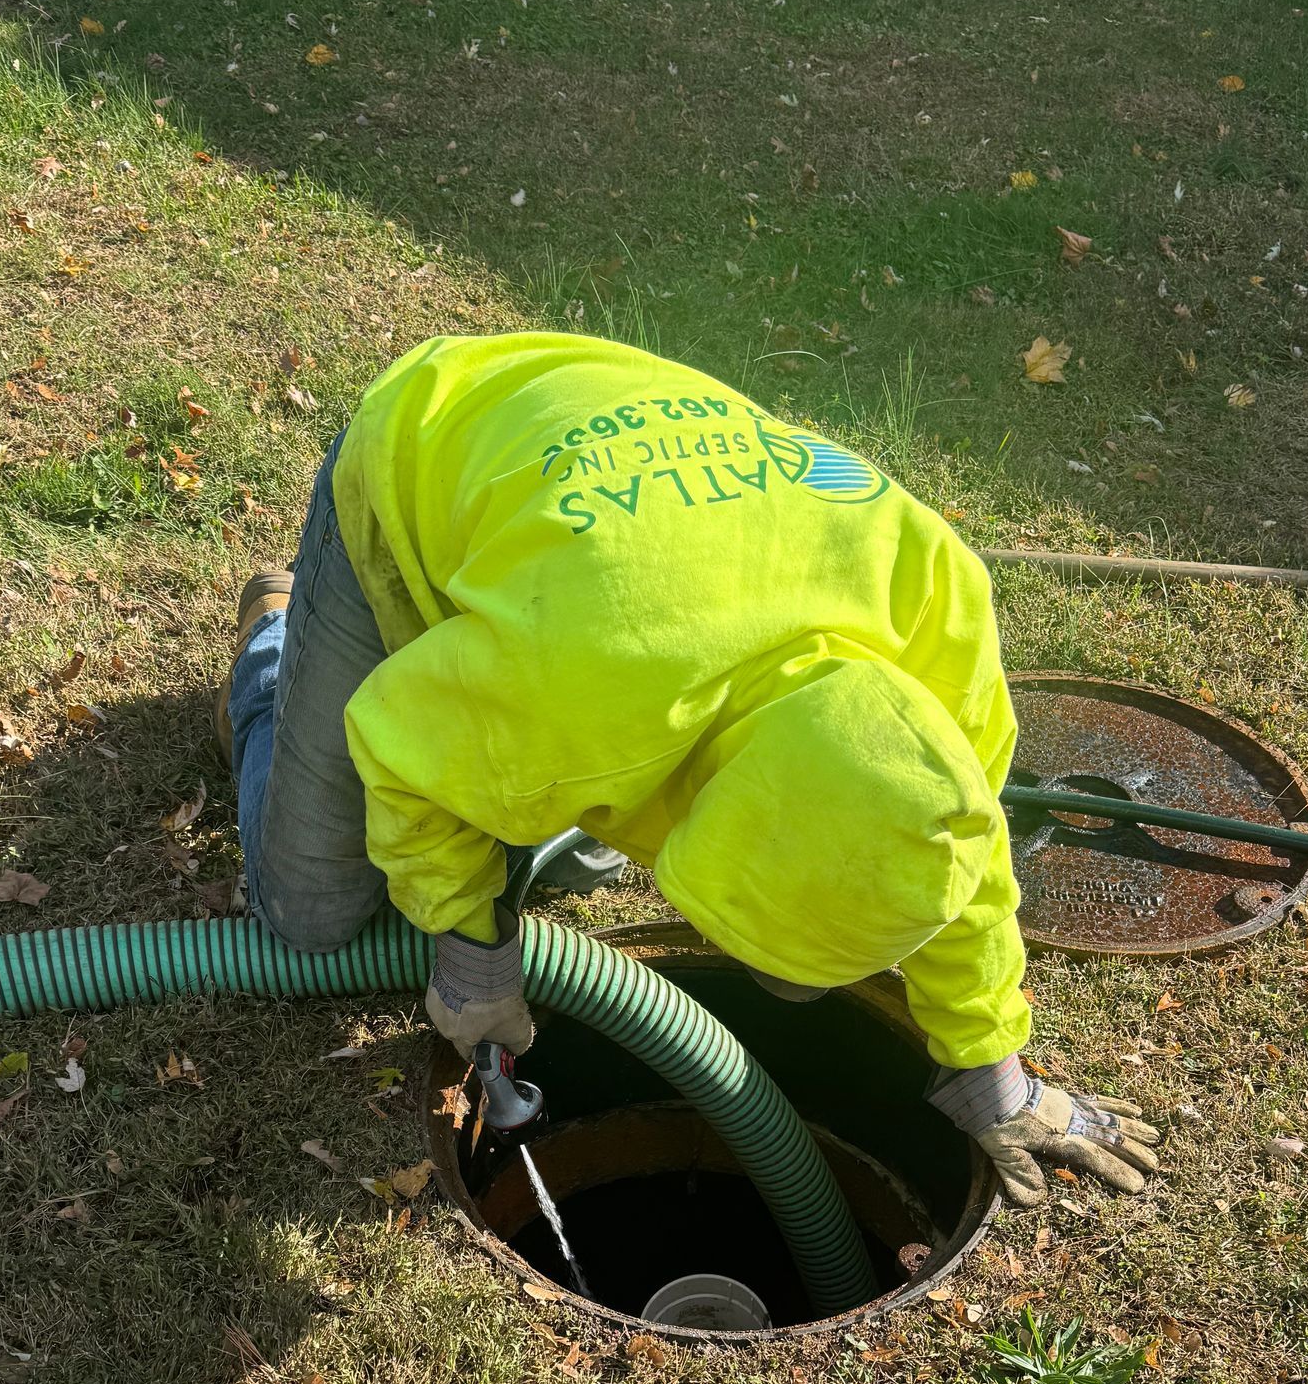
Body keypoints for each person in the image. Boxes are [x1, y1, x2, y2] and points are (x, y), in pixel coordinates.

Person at [219, 331, 1160, 1207]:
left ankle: (475, 706)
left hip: (613, 530)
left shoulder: (942, 654)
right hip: (433, 444)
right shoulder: (587, 689)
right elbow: (398, 743)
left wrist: (990, 1068)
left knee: (542, 808)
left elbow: (962, 869)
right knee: (314, 915)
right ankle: (274, 648)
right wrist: (470, 947)